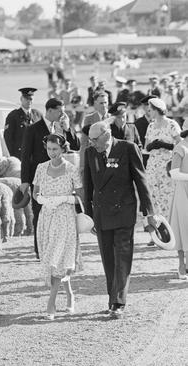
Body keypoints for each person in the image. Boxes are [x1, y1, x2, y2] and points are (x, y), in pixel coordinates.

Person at [84, 121, 156, 319]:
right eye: (90, 139)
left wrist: (148, 210)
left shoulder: (127, 148)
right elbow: (88, 185)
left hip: (123, 211)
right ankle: (112, 299)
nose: (92, 143)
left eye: (95, 139)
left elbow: (141, 180)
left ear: (107, 135)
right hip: (101, 213)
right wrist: (89, 216)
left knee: (122, 258)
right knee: (108, 258)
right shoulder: (90, 153)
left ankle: (119, 302)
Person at [32, 134, 83, 320]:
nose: (51, 152)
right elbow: (35, 192)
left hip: (65, 217)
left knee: (56, 258)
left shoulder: (71, 169)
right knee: (54, 259)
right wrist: (43, 199)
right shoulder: (40, 168)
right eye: (49, 149)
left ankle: (51, 302)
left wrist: (64, 198)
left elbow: (80, 195)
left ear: (62, 148)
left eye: (55, 149)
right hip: (47, 217)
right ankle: (69, 293)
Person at [20, 98, 69, 259]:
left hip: (60, 178)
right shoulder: (33, 129)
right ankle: (40, 249)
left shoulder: (60, 128)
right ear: (50, 110)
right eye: (60, 111)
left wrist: (67, 129)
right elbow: (26, 156)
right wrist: (25, 181)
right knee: (40, 213)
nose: (62, 114)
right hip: (40, 179)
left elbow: (72, 144)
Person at [145, 98, 181, 219]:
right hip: (152, 165)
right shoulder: (150, 126)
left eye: (151, 109)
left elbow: (181, 144)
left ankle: (170, 228)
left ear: (157, 110)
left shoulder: (171, 124)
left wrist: (165, 145)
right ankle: (158, 231)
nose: (149, 111)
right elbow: (146, 147)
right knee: (153, 196)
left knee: (167, 196)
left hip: (167, 164)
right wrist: (152, 145)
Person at [169, 128, 188, 279]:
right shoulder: (180, 147)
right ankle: (182, 264)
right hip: (183, 192)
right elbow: (174, 173)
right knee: (182, 226)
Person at [4, 88, 43, 158]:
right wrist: (13, 156)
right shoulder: (13, 116)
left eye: (31, 99)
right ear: (21, 99)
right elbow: (8, 138)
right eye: (26, 99)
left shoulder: (38, 114)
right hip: (20, 155)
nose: (29, 101)